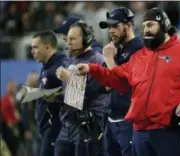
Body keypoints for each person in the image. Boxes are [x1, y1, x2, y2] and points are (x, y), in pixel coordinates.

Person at [74, 8, 180, 156]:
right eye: (144, 26)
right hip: (140, 132)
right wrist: (91, 68)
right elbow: (118, 79)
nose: (146, 30)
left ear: (164, 24)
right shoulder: (140, 56)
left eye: (150, 25)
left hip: (171, 131)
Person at [55, 20, 106, 156]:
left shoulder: (97, 61)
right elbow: (70, 94)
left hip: (88, 125)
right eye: (67, 39)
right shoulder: (72, 60)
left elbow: (92, 94)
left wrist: (70, 78)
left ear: (86, 39)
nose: (68, 42)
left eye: (73, 39)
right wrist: (57, 96)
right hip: (67, 125)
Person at [98, 7, 143, 156]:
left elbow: (125, 84)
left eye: (115, 26)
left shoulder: (140, 48)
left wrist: (110, 60)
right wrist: (111, 59)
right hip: (111, 121)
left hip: (129, 122)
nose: (111, 31)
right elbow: (106, 85)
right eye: (109, 27)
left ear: (128, 26)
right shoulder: (114, 50)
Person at [31, 31, 69, 156]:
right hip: (46, 128)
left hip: (55, 129)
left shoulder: (59, 68)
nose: (32, 51)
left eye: (35, 47)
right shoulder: (46, 66)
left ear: (47, 47)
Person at [1, 81, 20, 156]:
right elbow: (3, 112)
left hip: (17, 128)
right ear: (7, 87)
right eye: (10, 86)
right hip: (7, 129)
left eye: (13, 86)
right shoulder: (4, 99)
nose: (11, 88)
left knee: (16, 150)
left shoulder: (17, 100)